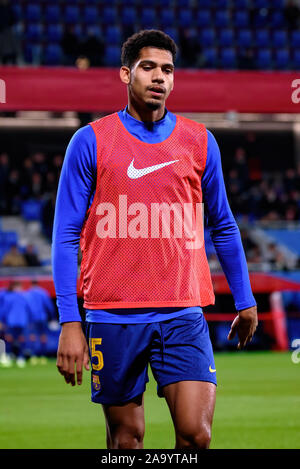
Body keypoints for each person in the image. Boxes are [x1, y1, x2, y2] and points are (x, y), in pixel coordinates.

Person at [52, 30, 257, 449]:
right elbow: (65, 235)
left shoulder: (199, 141)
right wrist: (70, 321)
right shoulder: (90, 141)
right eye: (148, 67)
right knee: (127, 439)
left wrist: (245, 298)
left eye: (167, 69)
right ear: (126, 74)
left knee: (196, 435)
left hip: (183, 311)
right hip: (112, 316)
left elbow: (223, 224)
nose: (159, 77)